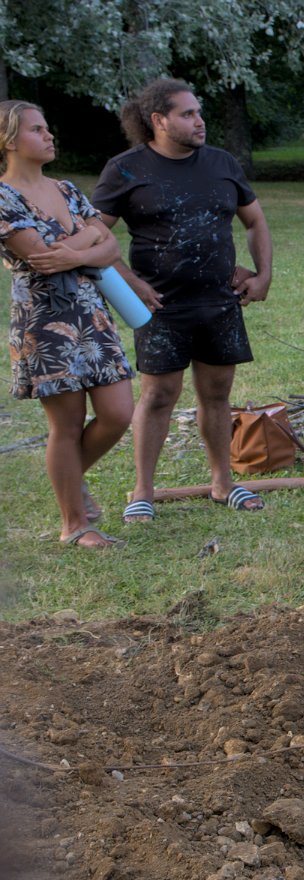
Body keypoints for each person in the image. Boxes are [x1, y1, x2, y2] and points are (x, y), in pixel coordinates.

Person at [92, 79, 273, 521]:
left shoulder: (222, 163)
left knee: (217, 393)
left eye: (199, 111)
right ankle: (143, 491)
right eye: (187, 114)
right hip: (160, 306)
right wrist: (129, 282)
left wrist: (264, 274)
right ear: (159, 121)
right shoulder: (127, 169)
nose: (200, 120)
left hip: (220, 301)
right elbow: (94, 234)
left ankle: (222, 484)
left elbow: (254, 221)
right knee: (158, 395)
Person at [1, 100, 134, 548]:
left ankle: (71, 482)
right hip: (44, 320)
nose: (49, 135)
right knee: (68, 421)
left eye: (47, 127)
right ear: (9, 140)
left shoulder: (66, 188)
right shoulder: (2, 195)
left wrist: (76, 252)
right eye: (38, 130)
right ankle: (74, 524)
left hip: (91, 312)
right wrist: (87, 240)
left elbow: (110, 246)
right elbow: (38, 256)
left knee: (118, 413)